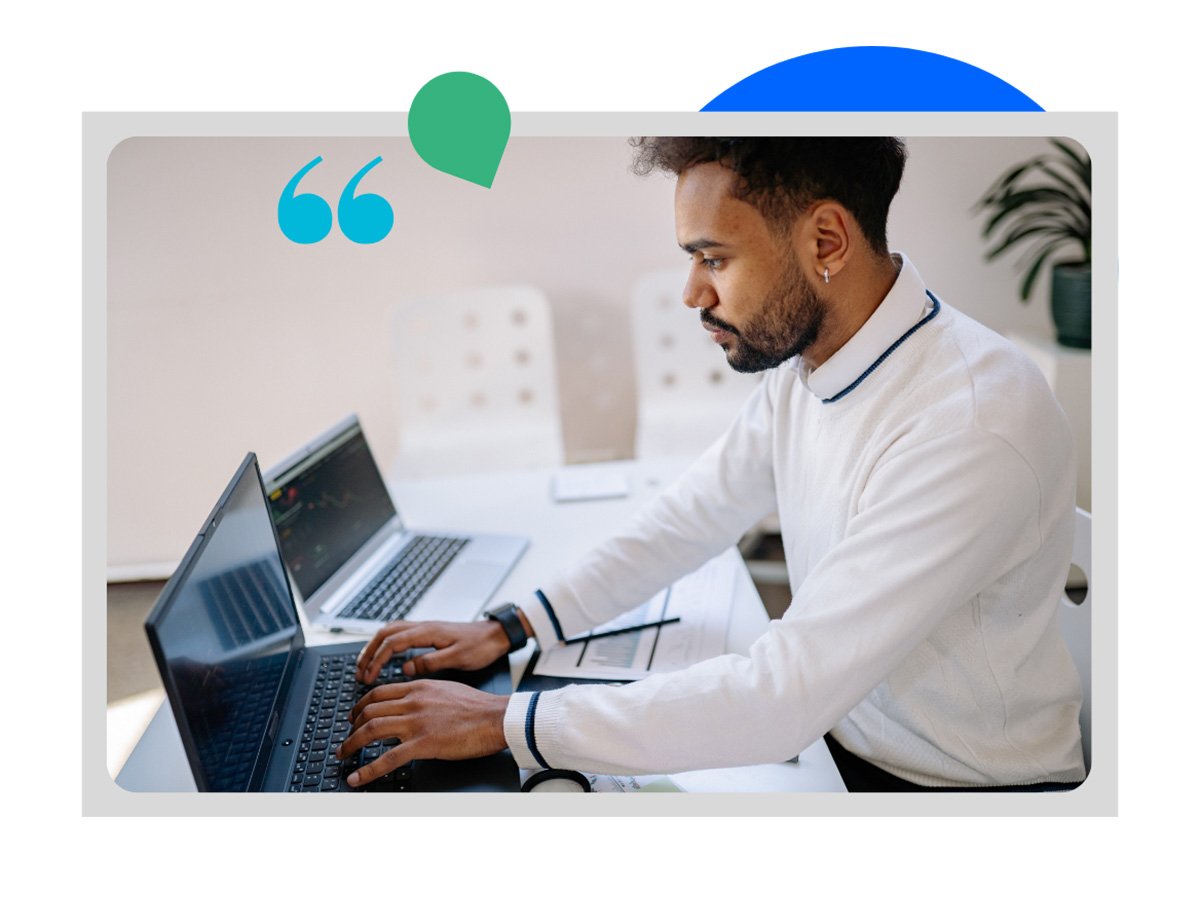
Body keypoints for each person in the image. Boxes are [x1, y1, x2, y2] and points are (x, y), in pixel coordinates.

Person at [335, 137, 1087, 791]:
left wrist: (508, 720)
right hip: (842, 739)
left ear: (826, 241)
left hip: (955, 794)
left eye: (713, 257)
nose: (692, 292)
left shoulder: (970, 422)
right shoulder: (816, 363)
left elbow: (780, 697)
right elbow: (695, 512)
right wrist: (515, 624)